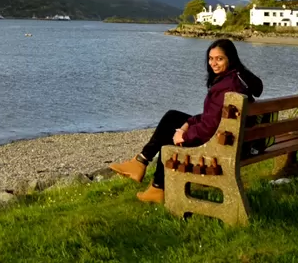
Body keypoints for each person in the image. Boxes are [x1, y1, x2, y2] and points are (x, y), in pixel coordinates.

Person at [109, 38, 263, 203]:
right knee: (173, 117)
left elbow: (209, 127)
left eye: (219, 59)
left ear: (230, 59)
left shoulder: (227, 86)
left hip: (221, 145)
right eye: (211, 59)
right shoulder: (239, 77)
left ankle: (153, 180)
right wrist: (187, 124)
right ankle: (143, 166)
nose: (213, 63)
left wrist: (184, 136)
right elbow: (213, 116)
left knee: (169, 135)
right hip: (234, 140)